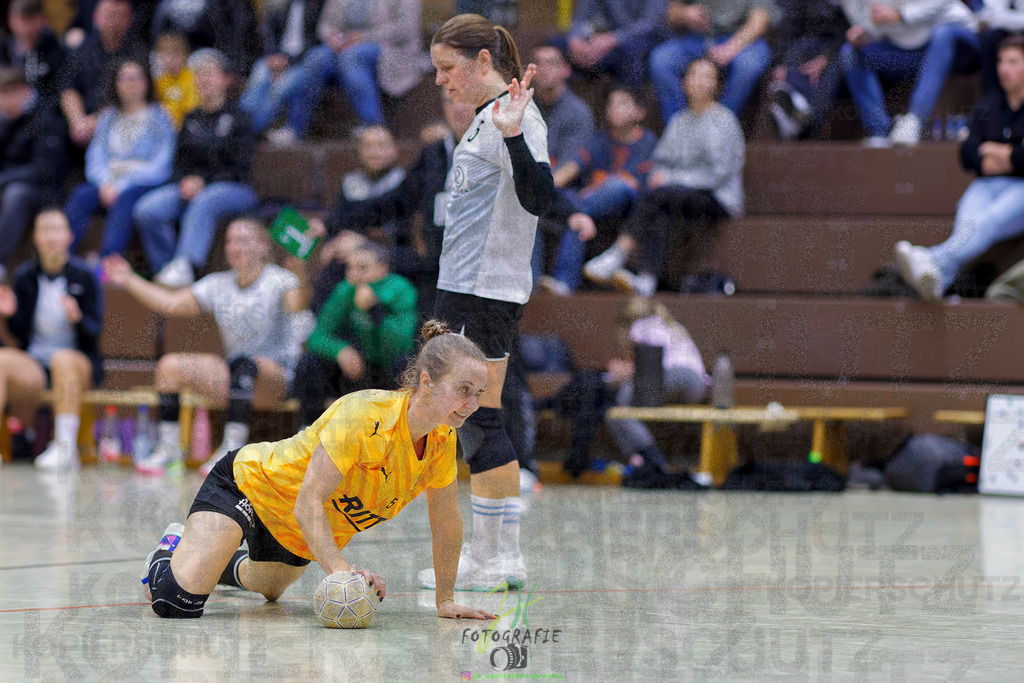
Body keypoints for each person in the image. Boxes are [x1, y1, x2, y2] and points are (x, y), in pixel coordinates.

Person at [139, 320, 497, 623]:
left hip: (298, 531)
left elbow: (447, 519)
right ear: (426, 381)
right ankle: (170, 548)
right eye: (463, 390)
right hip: (251, 486)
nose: (473, 404)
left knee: (269, 589)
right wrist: (343, 572)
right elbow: (308, 501)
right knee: (177, 602)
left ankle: (215, 555)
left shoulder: (441, 440)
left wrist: (445, 600)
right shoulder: (363, 414)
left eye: (479, 393)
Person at [417, 13, 554, 592]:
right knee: (467, 422)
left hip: (486, 293)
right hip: (461, 287)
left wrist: (517, 132)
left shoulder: (514, 117)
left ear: (481, 62)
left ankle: (503, 557)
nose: (441, 80)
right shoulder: (481, 121)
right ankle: (487, 555)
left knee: (479, 420)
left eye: (448, 68)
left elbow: (541, 197)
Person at [102, 217, 312, 475]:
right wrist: (128, 279)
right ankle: (169, 449)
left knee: (244, 365)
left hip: (277, 378)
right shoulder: (217, 283)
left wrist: (301, 272)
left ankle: (231, 449)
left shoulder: (281, 279)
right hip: (235, 377)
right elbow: (170, 304)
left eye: (244, 240)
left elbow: (298, 308)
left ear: (263, 246)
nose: (236, 247)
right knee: (169, 366)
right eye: (231, 241)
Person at [583, 58, 744, 297]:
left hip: (717, 197)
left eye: (707, 76)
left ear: (717, 85)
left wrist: (672, 178)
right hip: (678, 195)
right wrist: (664, 176)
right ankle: (646, 280)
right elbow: (662, 160)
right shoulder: (679, 121)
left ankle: (619, 252)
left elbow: (717, 174)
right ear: (684, 83)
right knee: (659, 208)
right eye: (694, 75)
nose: (700, 81)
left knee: (661, 194)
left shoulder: (724, 121)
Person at [315, 95, 479, 320]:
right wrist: (329, 225)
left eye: (464, 100)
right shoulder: (434, 152)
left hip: (480, 263)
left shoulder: (491, 149)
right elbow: (395, 201)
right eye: (450, 101)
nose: (457, 109)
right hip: (437, 266)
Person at [896, 35, 1024, 302]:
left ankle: (929, 257)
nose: (1004, 69)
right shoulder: (987, 106)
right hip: (986, 185)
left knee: (987, 220)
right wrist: (1009, 155)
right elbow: (968, 154)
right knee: (967, 224)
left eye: (1013, 61)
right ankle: (939, 278)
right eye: (1001, 61)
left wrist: (1000, 153)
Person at [132, 48, 258, 288]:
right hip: (194, 187)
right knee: (148, 209)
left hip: (235, 189)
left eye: (210, 73)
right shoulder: (190, 119)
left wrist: (204, 182)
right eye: (199, 74)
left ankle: (186, 263)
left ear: (225, 79)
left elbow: (240, 168)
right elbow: (179, 164)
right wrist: (185, 181)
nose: (204, 79)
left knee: (205, 200)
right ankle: (165, 268)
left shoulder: (240, 118)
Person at [0, 208, 103, 471]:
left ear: (69, 235)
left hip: (77, 363)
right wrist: (11, 316)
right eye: (44, 229)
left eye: (56, 229)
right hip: (37, 362)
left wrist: (78, 318)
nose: (51, 236)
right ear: (35, 237)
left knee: (62, 359)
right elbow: (21, 334)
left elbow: (95, 329)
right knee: (2, 359)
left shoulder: (85, 275)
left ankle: (65, 448)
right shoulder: (25, 276)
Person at [540, 84, 658, 296]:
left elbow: (632, 183)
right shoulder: (600, 139)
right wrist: (545, 187)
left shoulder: (647, 141)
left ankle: (579, 212)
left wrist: (581, 200)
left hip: (629, 206)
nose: (614, 108)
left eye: (622, 103)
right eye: (611, 103)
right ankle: (564, 283)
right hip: (595, 204)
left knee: (614, 186)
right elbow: (573, 166)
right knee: (576, 211)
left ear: (640, 112)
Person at [294, 241, 418, 428]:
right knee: (310, 363)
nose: (355, 275)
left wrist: (375, 311)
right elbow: (317, 336)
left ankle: (403, 436)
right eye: (351, 268)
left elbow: (403, 343)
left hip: (388, 372)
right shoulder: (346, 289)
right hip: (358, 370)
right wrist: (341, 351)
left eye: (363, 268)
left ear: (383, 268)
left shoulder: (401, 289)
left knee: (405, 366)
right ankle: (309, 433)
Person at [64, 59, 176, 264]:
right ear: (115, 83)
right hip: (108, 182)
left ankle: (107, 260)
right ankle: (62, 254)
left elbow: (163, 162)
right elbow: (96, 155)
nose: (131, 84)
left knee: (125, 197)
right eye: (125, 78)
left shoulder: (161, 116)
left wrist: (123, 184)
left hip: (144, 183)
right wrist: (105, 181)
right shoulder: (107, 117)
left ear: (148, 82)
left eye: (137, 78)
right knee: (81, 194)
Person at [270, 0, 427, 144]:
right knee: (315, 57)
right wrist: (333, 38)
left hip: (390, 49)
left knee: (352, 57)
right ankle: (294, 129)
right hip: (345, 46)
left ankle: (374, 126)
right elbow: (325, 24)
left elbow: (406, 28)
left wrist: (363, 37)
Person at [838, 0, 979, 147]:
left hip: (959, 40)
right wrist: (865, 33)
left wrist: (901, 15)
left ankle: (915, 119)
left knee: (942, 35)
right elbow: (872, 24)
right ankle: (880, 132)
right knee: (850, 53)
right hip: (913, 50)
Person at [651, 0, 776, 122]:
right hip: (698, 38)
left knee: (749, 65)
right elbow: (671, 12)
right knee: (661, 60)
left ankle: (719, 124)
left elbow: (760, 20)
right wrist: (685, 13)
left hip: (742, 38)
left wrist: (731, 47)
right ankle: (680, 126)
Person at [0, 66, 68, 284]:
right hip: (11, 182)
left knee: (15, 194)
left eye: (11, 93)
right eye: (2, 94)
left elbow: (44, 169)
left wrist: (4, 180)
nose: (6, 101)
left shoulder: (46, 117)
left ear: (25, 91)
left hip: (45, 191)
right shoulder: (5, 121)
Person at [58, 0, 149, 149]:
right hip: (83, 121)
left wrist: (96, 122)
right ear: (96, 17)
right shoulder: (82, 50)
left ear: (130, 19)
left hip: (121, 121)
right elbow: (68, 89)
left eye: (120, 15)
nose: (114, 21)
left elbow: (134, 97)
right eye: (109, 15)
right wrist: (77, 120)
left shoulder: (139, 54)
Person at [237, 0, 325, 140]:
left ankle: (247, 133)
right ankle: (237, 123)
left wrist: (288, 61)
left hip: (303, 61)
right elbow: (271, 36)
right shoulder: (282, 5)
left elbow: (318, 40)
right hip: (280, 57)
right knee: (258, 76)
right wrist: (273, 56)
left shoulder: (319, 5)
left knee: (279, 88)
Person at [768, 0, 849, 140]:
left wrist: (825, 58)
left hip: (845, 46)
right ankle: (794, 100)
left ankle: (801, 116)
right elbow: (791, 25)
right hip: (814, 42)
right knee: (798, 50)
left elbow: (853, 28)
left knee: (836, 68)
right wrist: (779, 63)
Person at [562, 0, 669, 85]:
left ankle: (625, 105)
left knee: (630, 54)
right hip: (603, 42)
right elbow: (581, 18)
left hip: (644, 42)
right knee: (556, 47)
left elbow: (651, 24)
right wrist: (575, 39)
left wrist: (614, 39)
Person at [0, 0, 66, 107]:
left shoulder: (54, 50)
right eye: (22, 20)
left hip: (44, 113)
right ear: (11, 21)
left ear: (42, 20)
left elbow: (61, 91)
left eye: (31, 20)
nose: (26, 28)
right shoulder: (4, 49)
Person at [152, 32, 199, 129]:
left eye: (175, 53)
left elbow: (191, 112)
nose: (170, 59)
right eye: (165, 53)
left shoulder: (193, 79)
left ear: (185, 55)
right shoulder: (158, 82)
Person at [978, 1, 1024, 97]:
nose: (1003, 69)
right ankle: (992, 98)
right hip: (1007, 28)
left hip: (1012, 23)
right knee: (990, 39)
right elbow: (995, 18)